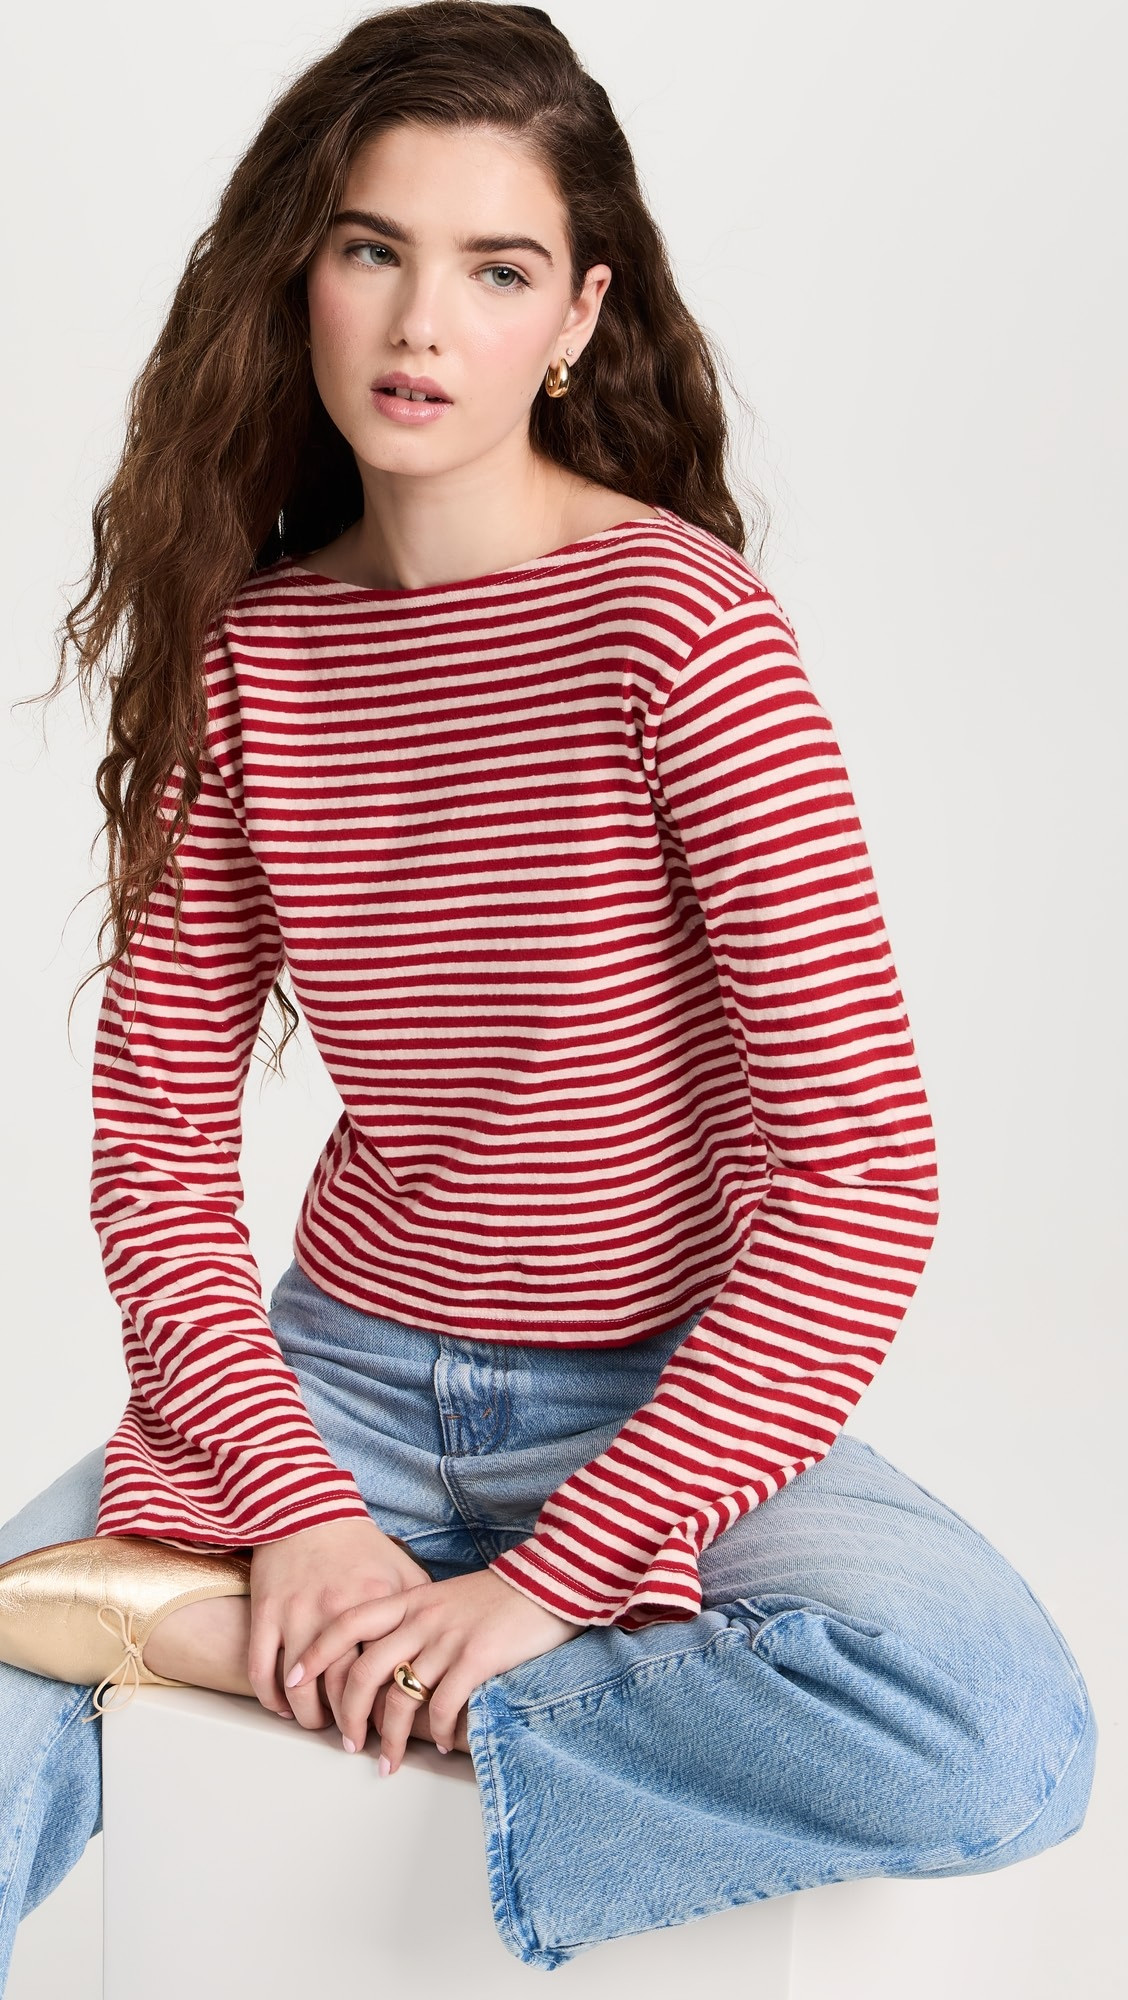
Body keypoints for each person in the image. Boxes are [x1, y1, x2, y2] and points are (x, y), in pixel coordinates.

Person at [0, 0, 1097, 1983]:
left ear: (579, 316)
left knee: (994, 1736)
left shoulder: (685, 634)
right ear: (303, 276)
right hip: (332, 1378)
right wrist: (299, 1510)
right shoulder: (251, 655)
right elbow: (157, 1150)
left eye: (496, 269)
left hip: (657, 1389)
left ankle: (227, 1651)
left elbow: (861, 1179)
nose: (423, 324)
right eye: (374, 250)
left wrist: (548, 1587)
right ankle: (326, 1625)